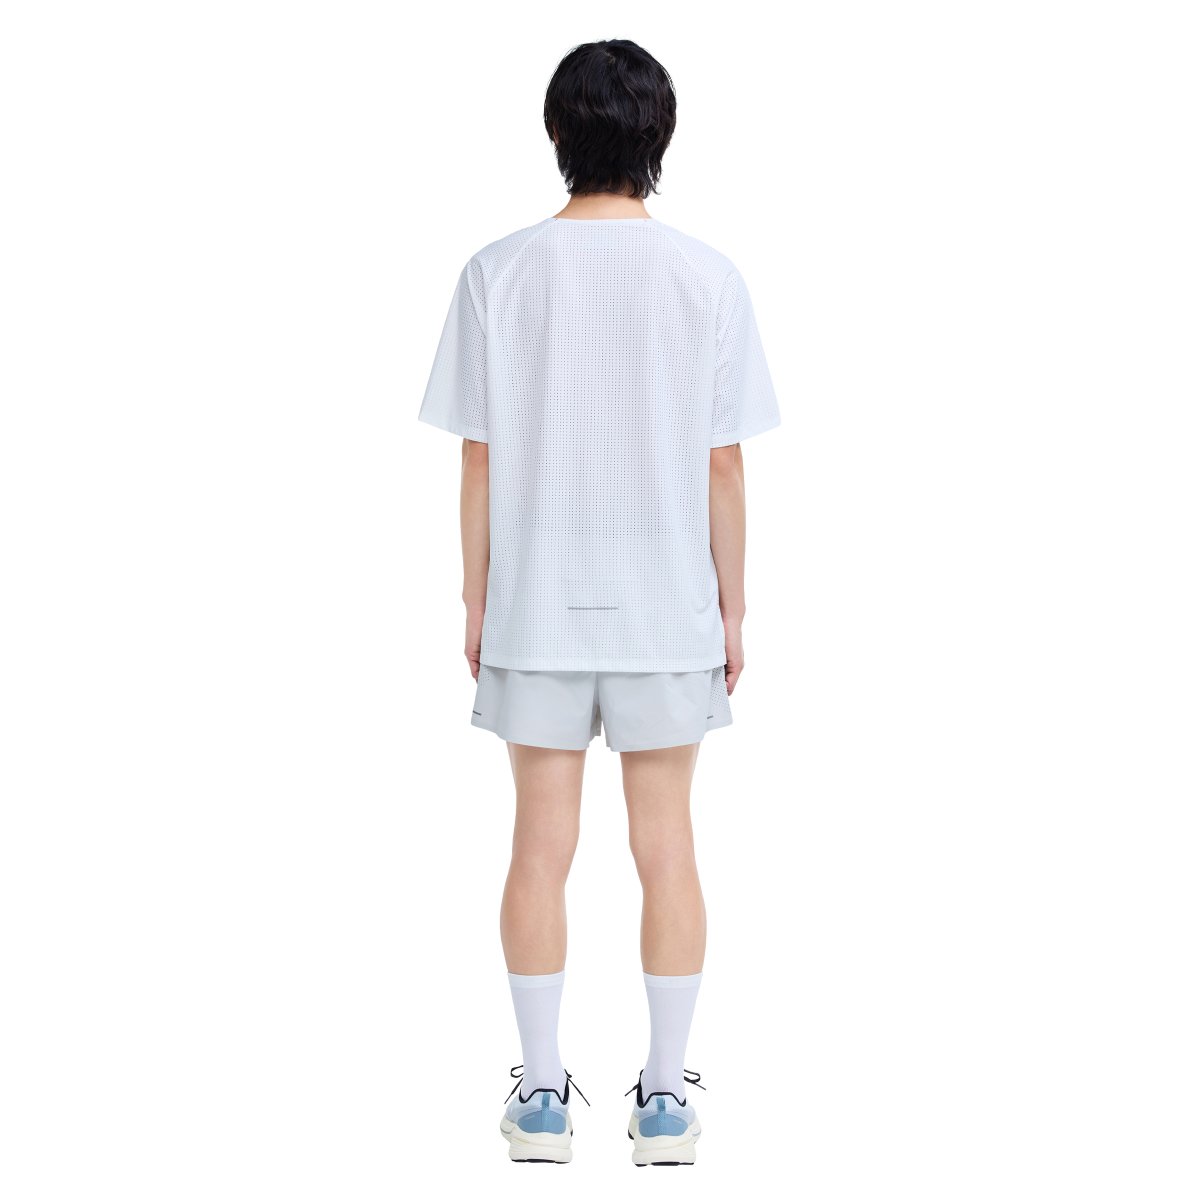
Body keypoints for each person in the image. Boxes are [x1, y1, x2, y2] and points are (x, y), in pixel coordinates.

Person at [417, 38, 780, 1166]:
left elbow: (478, 459)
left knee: (539, 847)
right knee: (667, 847)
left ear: (556, 133)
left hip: (535, 601)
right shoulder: (708, 278)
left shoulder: (498, 271)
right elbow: (725, 466)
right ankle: (664, 1102)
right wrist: (733, 607)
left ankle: (539, 1097)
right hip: (668, 602)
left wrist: (475, 598)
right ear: (660, 137)